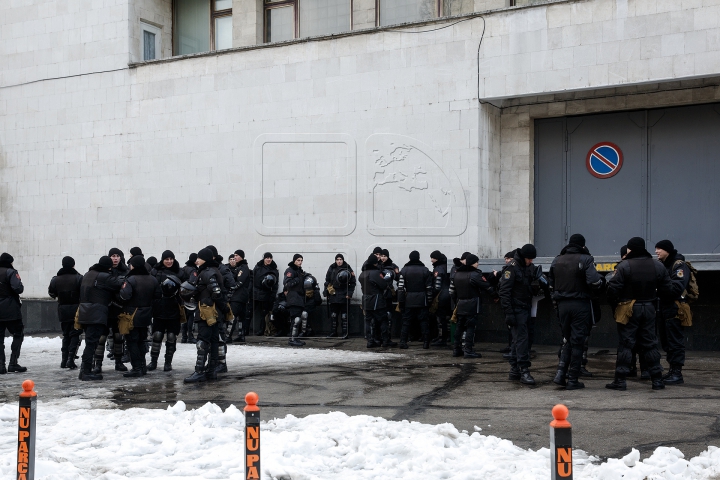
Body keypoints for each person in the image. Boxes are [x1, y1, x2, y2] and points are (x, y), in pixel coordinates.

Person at [605, 237, 683, 391]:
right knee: (650, 343)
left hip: (628, 308)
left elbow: (612, 289)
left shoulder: (624, 266)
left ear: (631, 249)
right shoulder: (657, 266)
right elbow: (668, 289)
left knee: (626, 344)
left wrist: (616, 303)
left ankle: (620, 381)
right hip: (650, 308)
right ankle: (657, 380)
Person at [548, 234, 605, 390]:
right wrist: (600, 283)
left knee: (568, 339)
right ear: (582, 245)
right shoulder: (585, 259)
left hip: (562, 305)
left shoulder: (557, 259)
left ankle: (560, 374)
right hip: (580, 304)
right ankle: (573, 379)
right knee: (578, 341)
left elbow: (550, 283)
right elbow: (594, 281)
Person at [77, 256, 123, 381]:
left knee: (90, 342)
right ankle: (86, 371)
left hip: (85, 311)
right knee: (91, 343)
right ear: (108, 267)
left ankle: (85, 370)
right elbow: (119, 284)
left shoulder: (88, 274)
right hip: (96, 313)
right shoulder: (103, 276)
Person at [499, 244, 538, 385]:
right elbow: (504, 292)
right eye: (529, 259)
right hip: (516, 309)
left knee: (520, 340)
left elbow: (529, 286)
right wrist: (508, 313)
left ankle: (515, 369)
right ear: (523, 256)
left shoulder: (528, 267)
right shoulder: (512, 268)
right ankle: (524, 370)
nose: (531, 261)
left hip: (526, 307)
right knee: (521, 340)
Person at [655, 239, 691, 385]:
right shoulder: (664, 265)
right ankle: (672, 371)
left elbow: (676, 288)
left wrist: (658, 289)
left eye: (659, 249)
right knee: (667, 340)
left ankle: (677, 373)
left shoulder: (679, 265)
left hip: (675, 308)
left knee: (675, 341)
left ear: (667, 250)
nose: (656, 251)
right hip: (665, 307)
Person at [185, 248, 224, 383]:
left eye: (199, 258)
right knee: (213, 341)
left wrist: (207, 301)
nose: (197, 260)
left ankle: (200, 371)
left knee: (202, 341)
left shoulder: (207, 273)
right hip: (213, 312)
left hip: (206, 313)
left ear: (205, 259)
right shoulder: (212, 271)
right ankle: (211, 371)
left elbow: (217, 291)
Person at [119, 255, 160, 377]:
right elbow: (158, 295)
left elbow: (125, 296)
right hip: (146, 314)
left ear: (132, 265)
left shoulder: (131, 279)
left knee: (132, 341)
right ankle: (142, 366)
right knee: (142, 341)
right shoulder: (152, 279)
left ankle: (136, 367)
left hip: (132, 315)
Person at [449, 254, 493, 358]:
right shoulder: (474, 274)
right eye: (477, 262)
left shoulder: (457, 274)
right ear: (473, 263)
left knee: (459, 326)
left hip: (460, 304)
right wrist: (495, 294)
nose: (478, 264)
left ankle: (456, 349)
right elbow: (486, 286)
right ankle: (468, 350)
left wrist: (457, 301)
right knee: (470, 327)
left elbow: (452, 292)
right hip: (472, 304)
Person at [149, 250, 187, 372]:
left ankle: (168, 362)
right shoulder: (155, 271)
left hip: (174, 308)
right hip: (159, 308)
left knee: (171, 336)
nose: (169, 261)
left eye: (171, 259)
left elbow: (186, 289)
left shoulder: (180, 272)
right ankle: (153, 361)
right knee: (157, 335)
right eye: (167, 259)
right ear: (162, 259)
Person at [96, 247, 129, 374]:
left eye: (117, 256)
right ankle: (98, 364)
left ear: (120, 257)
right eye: (113, 256)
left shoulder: (125, 271)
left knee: (118, 336)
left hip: (119, 308)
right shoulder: (103, 271)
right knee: (101, 337)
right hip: (104, 308)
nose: (115, 258)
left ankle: (118, 362)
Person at [48, 256, 83, 370]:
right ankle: (70, 359)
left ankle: (64, 360)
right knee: (75, 334)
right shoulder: (78, 278)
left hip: (62, 310)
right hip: (76, 310)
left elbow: (51, 293)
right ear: (73, 265)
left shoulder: (55, 279)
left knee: (66, 335)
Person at [397, 251, 433, 349]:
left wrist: (401, 302)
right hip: (422, 300)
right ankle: (426, 343)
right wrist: (429, 301)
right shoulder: (425, 270)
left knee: (406, 322)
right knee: (424, 322)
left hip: (408, 300)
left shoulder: (404, 270)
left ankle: (403, 342)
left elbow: (400, 288)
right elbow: (429, 288)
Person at [0, 252, 26, 374]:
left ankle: (0, 365)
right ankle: (13, 363)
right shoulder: (11, 272)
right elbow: (18, 288)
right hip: (10, 309)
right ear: (10, 262)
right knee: (18, 333)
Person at [359, 254, 389, 348]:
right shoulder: (375, 273)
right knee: (383, 320)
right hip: (376, 300)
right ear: (375, 263)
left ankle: (370, 341)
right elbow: (383, 285)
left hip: (366, 300)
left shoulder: (362, 274)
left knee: (368, 321)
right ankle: (385, 340)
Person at [324, 254, 356, 338]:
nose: (339, 261)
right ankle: (333, 332)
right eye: (337, 259)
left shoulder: (348, 268)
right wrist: (326, 292)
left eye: (340, 259)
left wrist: (349, 293)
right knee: (333, 315)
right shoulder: (332, 268)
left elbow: (352, 283)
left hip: (344, 294)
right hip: (334, 294)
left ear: (343, 260)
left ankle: (345, 333)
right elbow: (327, 281)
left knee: (344, 315)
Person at [252, 252, 279, 336]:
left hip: (266, 294)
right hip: (255, 293)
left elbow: (275, 284)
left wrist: (272, 295)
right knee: (249, 312)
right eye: (267, 258)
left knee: (263, 314)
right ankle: (245, 331)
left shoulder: (273, 269)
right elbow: (252, 279)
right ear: (264, 258)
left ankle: (261, 330)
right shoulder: (257, 267)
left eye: (270, 258)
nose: (269, 259)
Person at [284, 254, 309, 347]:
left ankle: (295, 337)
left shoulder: (299, 271)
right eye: (298, 260)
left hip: (299, 298)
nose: (300, 262)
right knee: (296, 319)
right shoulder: (290, 270)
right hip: (293, 297)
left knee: (299, 318)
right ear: (294, 261)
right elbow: (287, 283)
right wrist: (298, 279)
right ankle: (292, 339)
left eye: (301, 260)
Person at [228, 250, 252, 343]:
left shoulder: (243, 268)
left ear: (241, 257)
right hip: (242, 296)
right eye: (234, 255)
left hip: (238, 296)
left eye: (237, 255)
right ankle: (241, 335)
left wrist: (231, 288)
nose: (235, 257)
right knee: (241, 317)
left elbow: (239, 281)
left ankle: (228, 335)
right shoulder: (241, 267)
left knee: (232, 316)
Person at [429, 250, 451, 347]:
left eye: (432, 258)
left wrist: (432, 295)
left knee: (440, 318)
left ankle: (442, 338)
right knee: (447, 317)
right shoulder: (447, 266)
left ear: (436, 259)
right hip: (449, 295)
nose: (431, 260)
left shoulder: (438, 269)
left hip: (441, 295)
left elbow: (437, 286)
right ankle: (447, 336)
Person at [378, 249, 400, 344]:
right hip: (379, 294)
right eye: (382, 256)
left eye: (385, 256)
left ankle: (387, 337)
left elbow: (398, 278)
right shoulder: (377, 265)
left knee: (388, 315)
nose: (383, 258)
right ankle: (379, 337)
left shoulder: (393, 266)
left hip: (388, 294)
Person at [181, 253, 199, 343]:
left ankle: (184, 336)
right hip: (189, 296)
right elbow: (193, 282)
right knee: (190, 317)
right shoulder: (193, 270)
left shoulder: (184, 268)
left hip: (182, 296)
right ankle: (190, 336)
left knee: (184, 317)